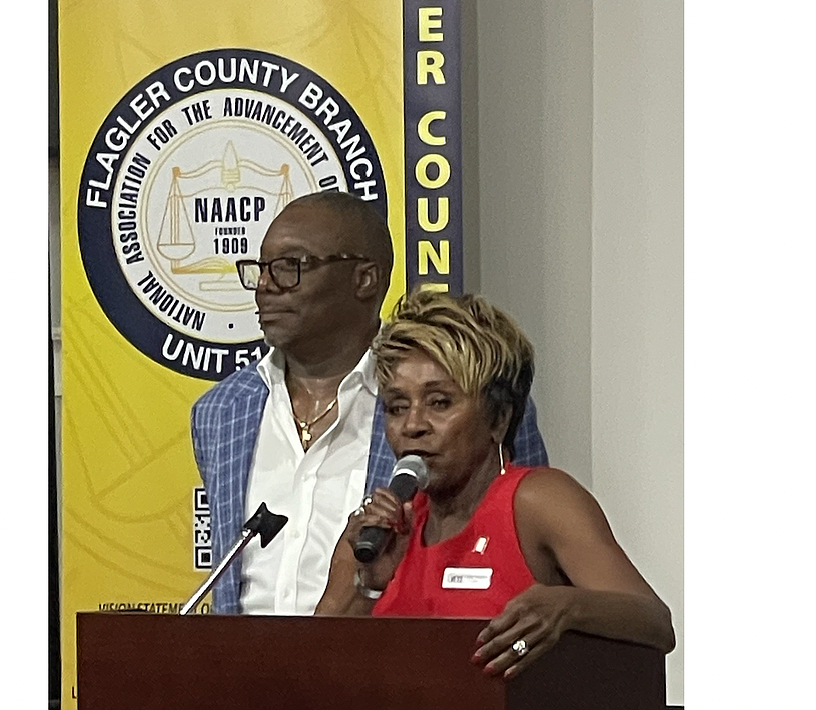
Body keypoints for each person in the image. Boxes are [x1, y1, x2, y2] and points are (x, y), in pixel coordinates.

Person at [190, 191, 549, 615]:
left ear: (365, 279)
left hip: (402, 667)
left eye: (291, 267)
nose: (267, 286)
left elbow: (523, 547)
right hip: (244, 673)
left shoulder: (459, 396)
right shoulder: (222, 410)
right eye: (261, 269)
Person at [315, 289, 674, 680]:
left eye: (439, 403)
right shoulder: (375, 534)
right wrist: (367, 586)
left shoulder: (538, 501)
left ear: (498, 418)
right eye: (397, 407)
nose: (412, 425)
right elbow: (312, 666)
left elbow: (654, 622)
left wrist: (567, 606)